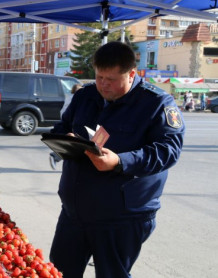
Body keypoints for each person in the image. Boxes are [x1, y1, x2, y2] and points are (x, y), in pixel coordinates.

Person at [49, 42, 185, 278]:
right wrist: (64, 140)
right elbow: (63, 126)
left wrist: (121, 161)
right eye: (99, 77)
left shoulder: (157, 103)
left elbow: (168, 150)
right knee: (58, 273)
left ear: (132, 73)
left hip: (121, 217)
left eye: (111, 79)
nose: (103, 85)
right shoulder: (85, 96)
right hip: (75, 212)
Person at [49, 83, 83, 170]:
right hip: (71, 121)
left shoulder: (70, 97)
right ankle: (55, 156)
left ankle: (55, 156)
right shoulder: (76, 99)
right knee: (73, 143)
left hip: (67, 119)